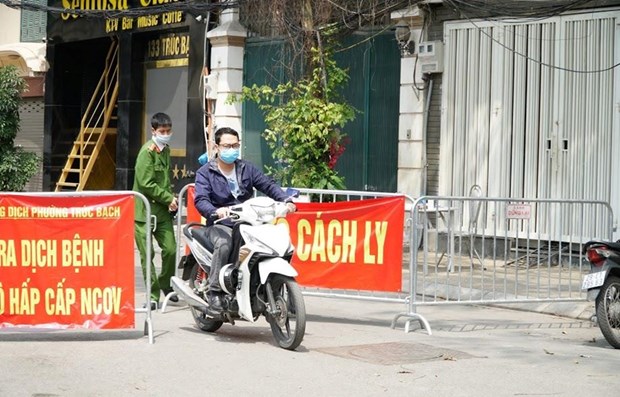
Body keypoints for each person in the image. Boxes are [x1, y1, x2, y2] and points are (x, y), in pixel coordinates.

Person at [194, 127, 295, 312]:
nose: (232, 149)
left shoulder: (246, 168)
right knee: (224, 245)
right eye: (227, 146)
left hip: (248, 223)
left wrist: (286, 201)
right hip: (220, 224)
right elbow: (201, 200)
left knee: (274, 244)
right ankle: (216, 292)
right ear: (217, 147)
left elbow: (268, 185)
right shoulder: (205, 172)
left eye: (235, 145)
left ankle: (275, 289)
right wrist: (216, 211)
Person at [133, 112, 179, 309]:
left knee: (170, 249)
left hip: (161, 211)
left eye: (168, 131)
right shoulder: (147, 152)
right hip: (144, 212)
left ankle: (166, 284)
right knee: (148, 254)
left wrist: (170, 201)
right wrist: (169, 198)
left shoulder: (165, 150)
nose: (166, 134)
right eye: (162, 131)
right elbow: (146, 183)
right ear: (153, 131)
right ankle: (152, 296)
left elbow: (164, 180)